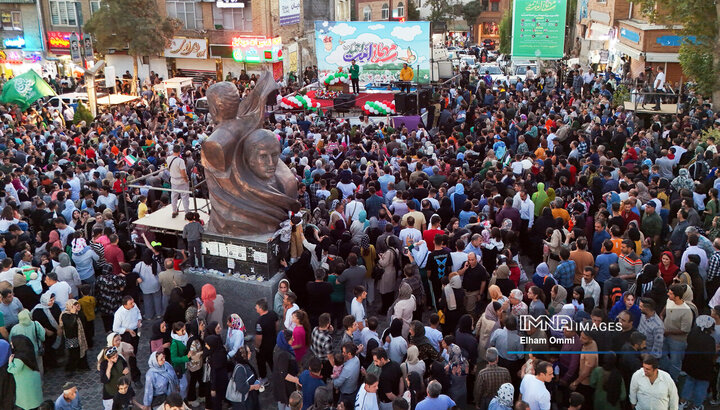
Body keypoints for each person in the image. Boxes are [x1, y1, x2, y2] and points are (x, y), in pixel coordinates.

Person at [8, 335, 43, 410]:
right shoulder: (29, 353)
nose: (11, 343)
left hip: (25, 385)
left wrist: (10, 362)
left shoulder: (19, 358)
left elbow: (13, 370)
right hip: (32, 382)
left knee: (28, 405)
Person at [166, 144, 190, 218]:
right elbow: (183, 173)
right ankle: (187, 213)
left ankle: (174, 211)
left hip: (173, 180)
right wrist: (186, 180)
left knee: (174, 197)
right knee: (185, 197)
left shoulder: (168, 158)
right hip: (181, 180)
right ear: (179, 152)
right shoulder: (180, 161)